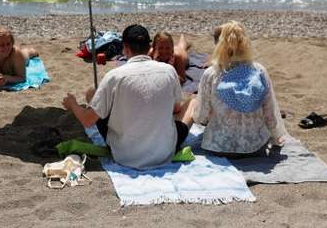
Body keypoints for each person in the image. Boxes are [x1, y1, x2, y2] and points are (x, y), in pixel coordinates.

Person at [62, 24, 187, 170]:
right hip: (164, 152)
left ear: (125, 48)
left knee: (93, 94)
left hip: (125, 155)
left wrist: (73, 104)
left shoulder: (114, 76)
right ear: (149, 48)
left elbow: (87, 120)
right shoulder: (169, 71)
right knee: (192, 102)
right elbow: (176, 108)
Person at [183, 21, 287, 157]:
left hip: (219, 147)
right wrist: (276, 136)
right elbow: (270, 112)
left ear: (218, 45)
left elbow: (201, 116)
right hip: (255, 147)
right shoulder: (259, 71)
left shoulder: (211, 74)